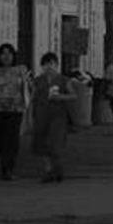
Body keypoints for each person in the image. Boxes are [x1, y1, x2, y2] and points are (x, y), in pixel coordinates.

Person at [0, 43, 31, 181]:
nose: (6, 56)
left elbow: (29, 89)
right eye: (3, 53)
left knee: (12, 140)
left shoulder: (21, 70)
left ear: (14, 55)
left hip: (15, 110)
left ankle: (9, 169)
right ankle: (4, 165)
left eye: (9, 53)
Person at [29, 52, 76, 183]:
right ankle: (49, 170)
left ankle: (58, 167)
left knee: (54, 143)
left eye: (51, 64)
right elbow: (32, 97)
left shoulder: (63, 80)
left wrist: (60, 97)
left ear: (56, 65)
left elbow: (73, 95)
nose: (48, 67)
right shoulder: (38, 80)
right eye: (45, 64)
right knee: (42, 143)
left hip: (58, 115)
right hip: (41, 114)